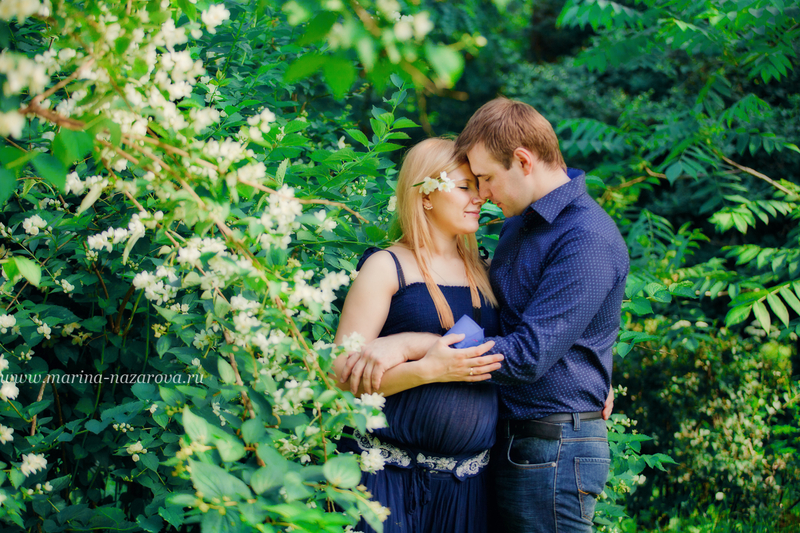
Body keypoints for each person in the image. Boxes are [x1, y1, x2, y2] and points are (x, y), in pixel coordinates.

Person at [341, 97, 629, 532]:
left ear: (523, 161)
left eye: (486, 179)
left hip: (549, 444)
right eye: (470, 184)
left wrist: (416, 345)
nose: (483, 194)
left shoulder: (585, 236)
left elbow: (530, 354)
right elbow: (533, 322)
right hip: (500, 450)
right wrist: (594, 369)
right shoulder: (517, 228)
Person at [333, 137, 505, 533]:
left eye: (479, 186)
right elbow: (338, 376)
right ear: (426, 196)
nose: (479, 197)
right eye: (464, 186)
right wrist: (426, 370)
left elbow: (534, 345)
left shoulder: (489, 272)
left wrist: (594, 382)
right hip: (382, 476)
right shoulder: (386, 266)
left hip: (466, 488)